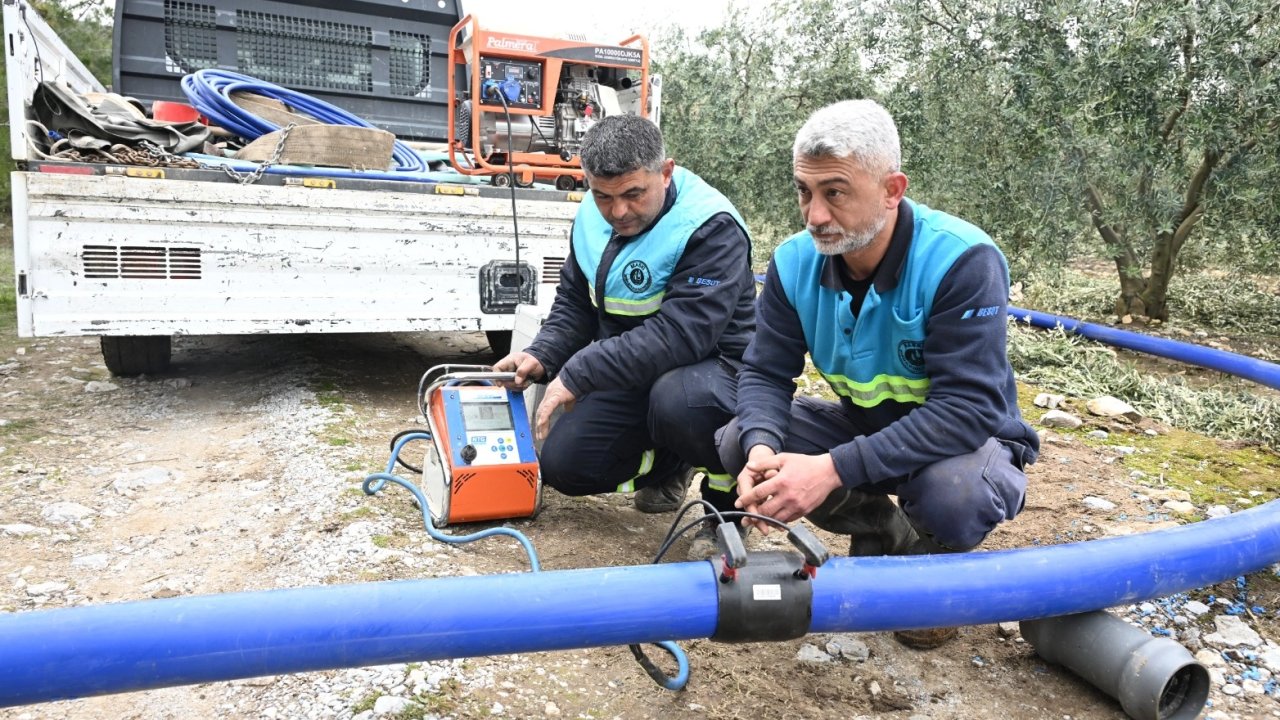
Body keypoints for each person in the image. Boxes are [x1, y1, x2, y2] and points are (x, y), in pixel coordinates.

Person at [717, 99, 1039, 647]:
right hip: (867, 432)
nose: (815, 214)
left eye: (835, 193)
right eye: (804, 191)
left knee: (955, 495)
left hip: (962, 445)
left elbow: (968, 410)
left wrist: (831, 470)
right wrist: (762, 450)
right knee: (735, 440)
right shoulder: (794, 263)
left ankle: (929, 556)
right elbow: (765, 374)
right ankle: (883, 528)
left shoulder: (961, 260)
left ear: (892, 190)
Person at [496, 114, 756, 557]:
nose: (618, 211)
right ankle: (672, 464)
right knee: (564, 466)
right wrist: (543, 353)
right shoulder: (588, 216)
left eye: (634, 194)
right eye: (603, 196)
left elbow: (681, 336)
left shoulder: (711, 226)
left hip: (715, 369)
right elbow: (576, 302)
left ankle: (725, 510)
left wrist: (582, 370)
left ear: (666, 171)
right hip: (635, 367)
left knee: (679, 401)